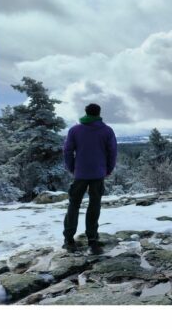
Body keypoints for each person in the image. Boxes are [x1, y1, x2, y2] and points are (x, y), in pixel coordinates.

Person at [62, 103, 118, 254]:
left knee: (74, 204)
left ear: (86, 113)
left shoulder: (75, 130)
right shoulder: (107, 130)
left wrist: (72, 168)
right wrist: (108, 169)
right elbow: (112, 152)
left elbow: (67, 151)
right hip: (98, 173)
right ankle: (92, 240)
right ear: (99, 113)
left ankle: (69, 239)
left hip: (80, 173)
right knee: (94, 205)